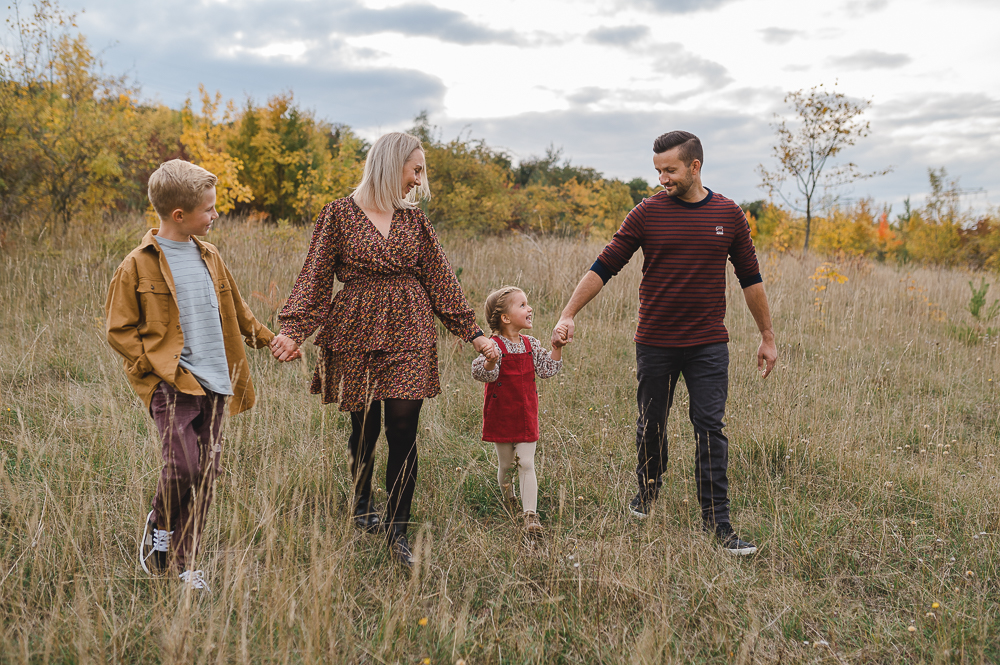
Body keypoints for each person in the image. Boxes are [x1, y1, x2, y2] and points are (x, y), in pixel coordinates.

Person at [270, 132, 498, 569]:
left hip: (409, 328)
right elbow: (316, 276)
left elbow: (440, 278)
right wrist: (293, 331)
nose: (418, 179)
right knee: (364, 425)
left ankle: (398, 531)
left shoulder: (415, 222)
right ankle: (361, 502)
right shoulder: (338, 214)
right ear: (390, 164)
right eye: (415, 169)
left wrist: (472, 333)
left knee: (403, 426)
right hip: (355, 329)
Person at [552, 131, 777, 556]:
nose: (662, 179)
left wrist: (767, 336)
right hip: (655, 342)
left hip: (709, 343)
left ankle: (718, 523)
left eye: (670, 170)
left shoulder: (729, 214)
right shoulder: (647, 213)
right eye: (657, 170)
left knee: (710, 428)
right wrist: (568, 313)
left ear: (695, 167)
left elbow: (751, 278)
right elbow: (605, 264)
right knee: (650, 426)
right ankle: (649, 488)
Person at [106, 159, 284, 590]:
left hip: (216, 382)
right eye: (210, 210)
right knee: (182, 465)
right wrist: (154, 366)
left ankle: (185, 562)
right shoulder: (138, 264)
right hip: (173, 383)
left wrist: (269, 339)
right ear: (179, 215)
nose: (216, 215)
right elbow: (119, 329)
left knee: (205, 472)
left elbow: (237, 309)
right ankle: (160, 527)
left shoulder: (211, 256)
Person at [472, 286, 563, 538]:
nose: (529, 308)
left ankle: (530, 516)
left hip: (525, 413)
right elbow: (480, 373)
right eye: (522, 305)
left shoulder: (530, 344)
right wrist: (491, 359)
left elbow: (546, 370)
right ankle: (509, 497)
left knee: (526, 462)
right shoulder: (492, 345)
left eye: (528, 303)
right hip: (501, 413)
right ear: (505, 317)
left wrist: (556, 347)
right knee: (506, 464)